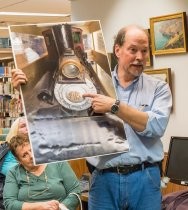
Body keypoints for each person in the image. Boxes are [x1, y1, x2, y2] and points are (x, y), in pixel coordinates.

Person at [11, 24, 172, 210]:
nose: (140, 57)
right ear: (117, 50)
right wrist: (27, 89)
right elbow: (57, 120)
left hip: (145, 177)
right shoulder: (97, 81)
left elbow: (156, 126)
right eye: (133, 50)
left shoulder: (159, 88)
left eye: (144, 51)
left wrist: (114, 106)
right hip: (104, 179)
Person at [3, 117, 81, 210]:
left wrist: (60, 207)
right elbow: (9, 204)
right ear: (19, 160)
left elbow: (75, 191)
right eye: (24, 155)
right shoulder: (13, 173)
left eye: (31, 150)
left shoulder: (58, 163)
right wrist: (41, 206)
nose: (31, 156)